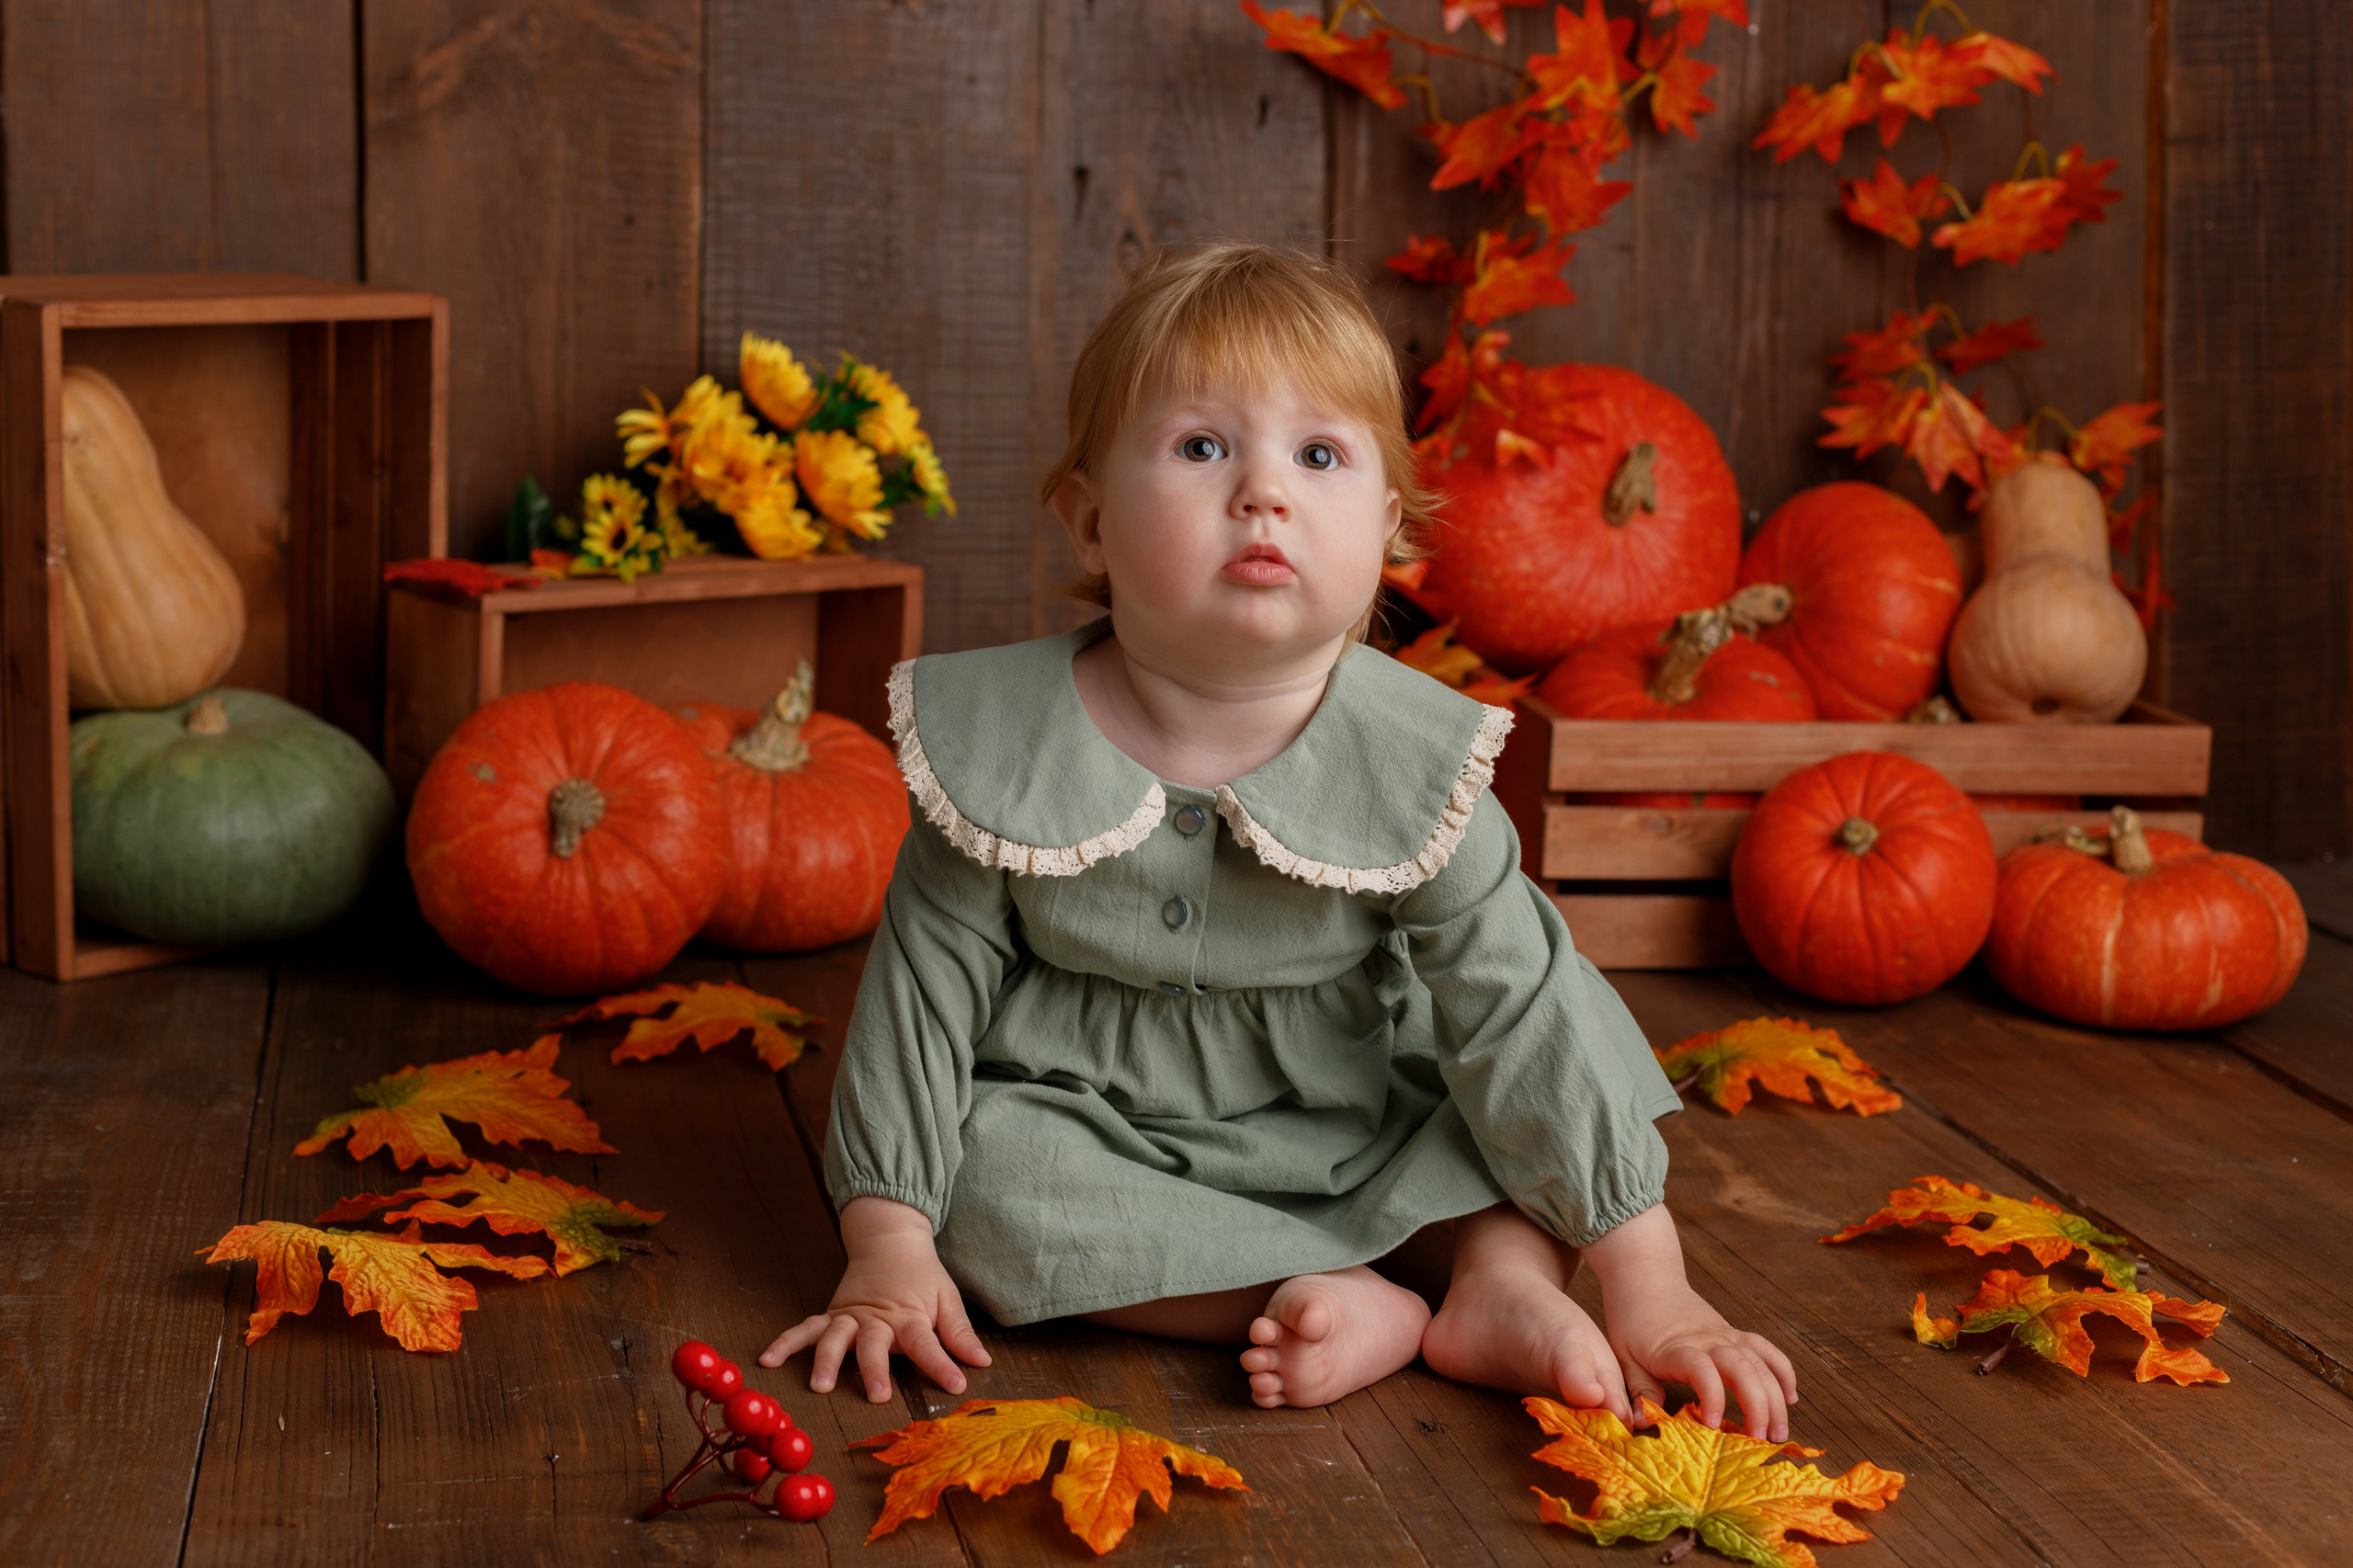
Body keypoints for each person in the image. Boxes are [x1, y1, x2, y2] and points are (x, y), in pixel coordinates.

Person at [760, 243, 1798, 1437]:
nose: (1265, 492)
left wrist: (1649, 1280)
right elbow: (920, 1002)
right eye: (1203, 447)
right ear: (1089, 517)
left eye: (1319, 455)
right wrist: (887, 1242)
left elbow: (1525, 1011)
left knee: (1497, 1114)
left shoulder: (1415, 764)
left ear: (1390, 532)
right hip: (1097, 1126)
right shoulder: (1003, 747)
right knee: (981, 1192)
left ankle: (1498, 1283)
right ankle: (1352, 1295)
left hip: (1356, 1109)